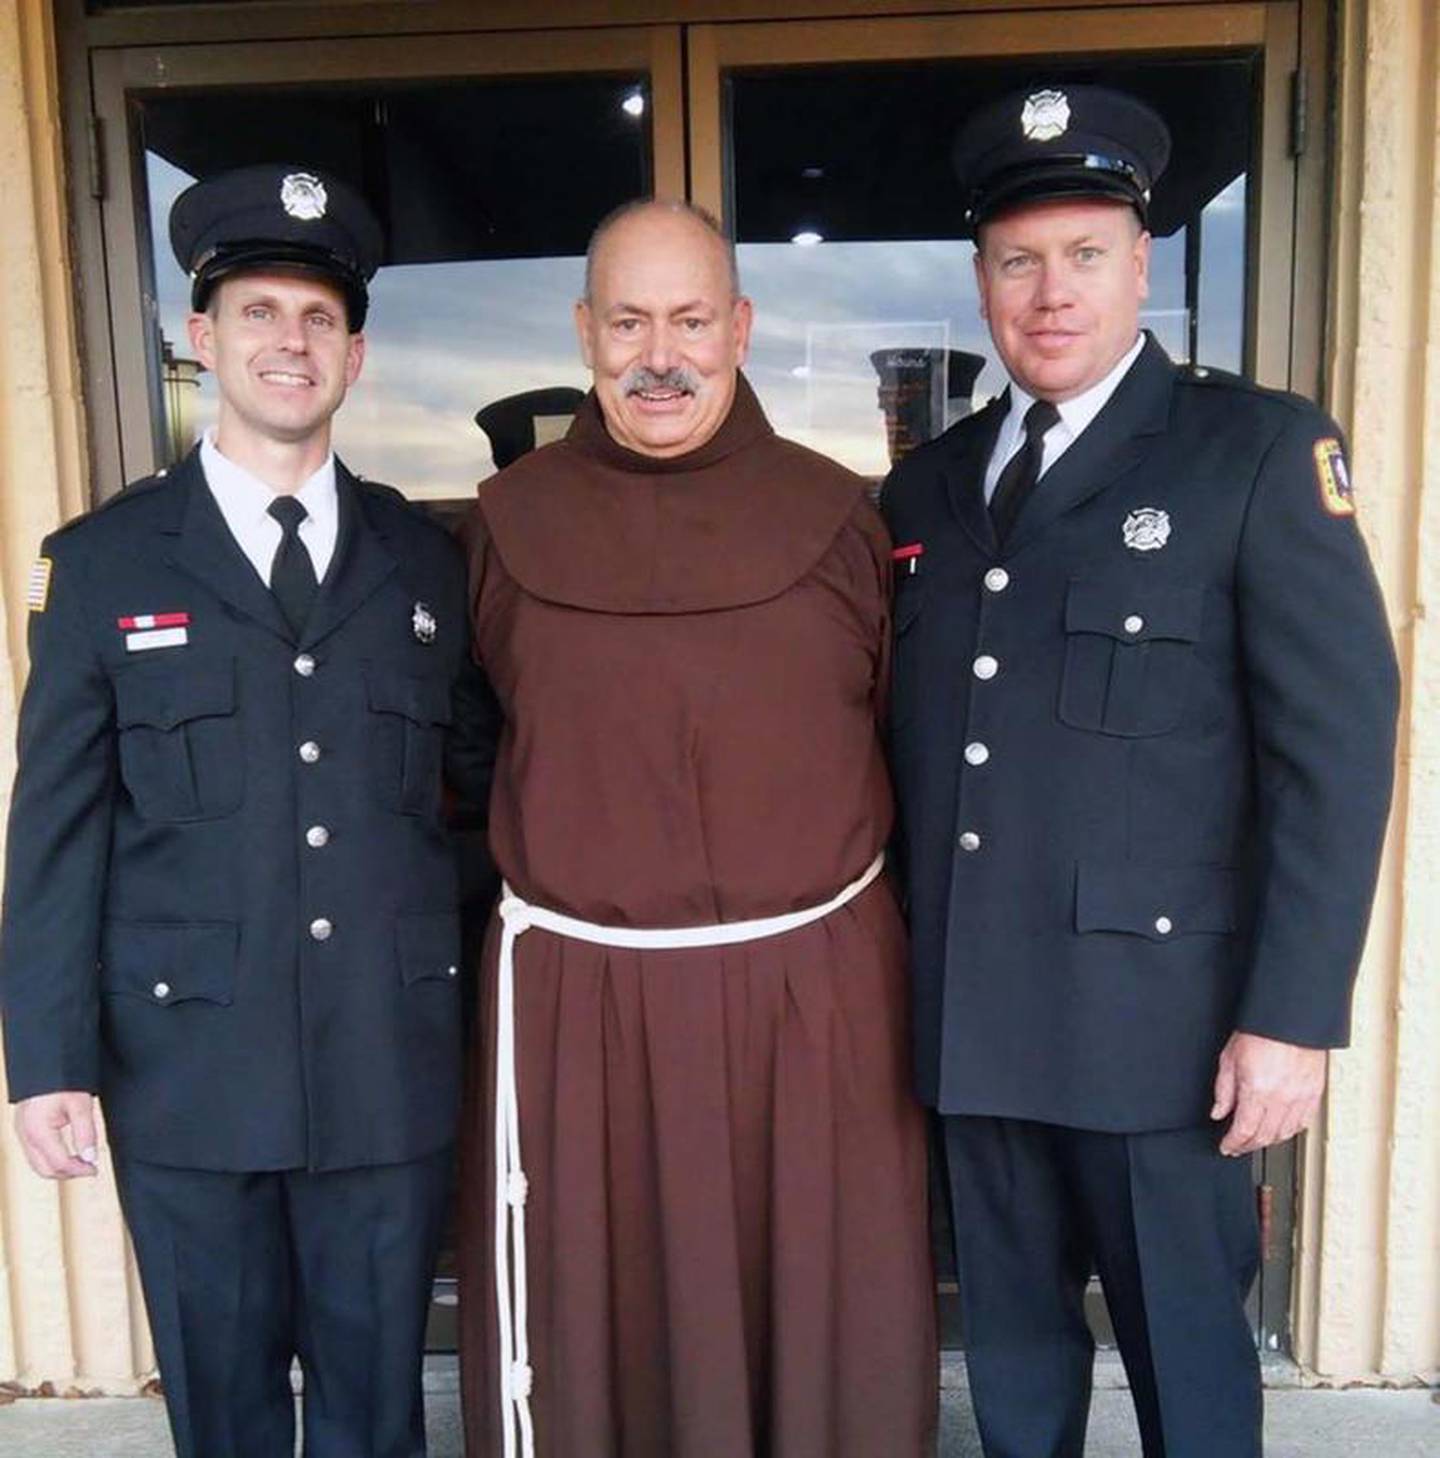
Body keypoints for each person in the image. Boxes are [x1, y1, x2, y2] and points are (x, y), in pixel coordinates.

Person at [882, 86, 1398, 1458]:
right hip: (976, 1024)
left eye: (1086, 254)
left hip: (1162, 1036)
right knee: (1016, 1368)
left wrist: (1292, 1015)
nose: (1051, 293)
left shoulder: (1257, 453)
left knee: (1189, 1371)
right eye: (1018, 260)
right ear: (982, 278)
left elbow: (1334, 748)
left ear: (1144, 262)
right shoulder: (925, 490)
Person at [0, 163, 488, 1458]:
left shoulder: (423, 562)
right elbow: (55, 828)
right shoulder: (106, 564)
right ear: (204, 339)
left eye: (319, 318)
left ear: (357, 352)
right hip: (188, 1075)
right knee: (222, 1413)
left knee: (375, 1410)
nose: (291, 341)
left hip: (386, 1068)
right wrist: (45, 1059)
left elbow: (484, 802)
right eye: (260, 312)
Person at [454, 198, 936, 1458]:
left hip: (809, 1005)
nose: (657, 354)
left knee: (816, 1333)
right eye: (627, 321)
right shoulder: (502, 528)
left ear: (739, 327)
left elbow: (894, 735)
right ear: (584, 331)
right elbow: (473, 748)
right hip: (579, 1012)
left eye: (688, 319)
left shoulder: (842, 522)